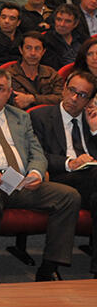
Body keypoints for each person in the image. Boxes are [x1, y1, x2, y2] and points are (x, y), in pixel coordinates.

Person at [0, 67, 81, 282]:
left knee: (69, 196)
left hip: (19, 181)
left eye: (1, 89)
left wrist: (37, 172)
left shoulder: (20, 117)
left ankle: (49, 266)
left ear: (9, 93)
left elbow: (37, 151)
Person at [29, 71, 97, 279]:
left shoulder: (91, 120)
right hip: (58, 177)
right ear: (64, 88)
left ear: (90, 100)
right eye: (72, 91)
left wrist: (95, 132)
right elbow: (36, 154)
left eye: (83, 95)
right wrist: (70, 163)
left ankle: (49, 268)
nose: (74, 98)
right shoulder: (40, 116)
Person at [7, 32, 64, 109]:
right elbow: (19, 102)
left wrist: (32, 98)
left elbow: (61, 98)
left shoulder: (51, 73)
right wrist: (47, 99)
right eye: (28, 48)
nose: (33, 53)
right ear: (21, 50)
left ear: (43, 52)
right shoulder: (9, 75)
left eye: (37, 48)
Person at [42, 4, 82, 70]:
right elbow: (53, 68)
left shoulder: (81, 37)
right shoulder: (47, 41)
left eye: (67, 21)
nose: (62, 24)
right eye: (59, 19)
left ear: (75, 23)